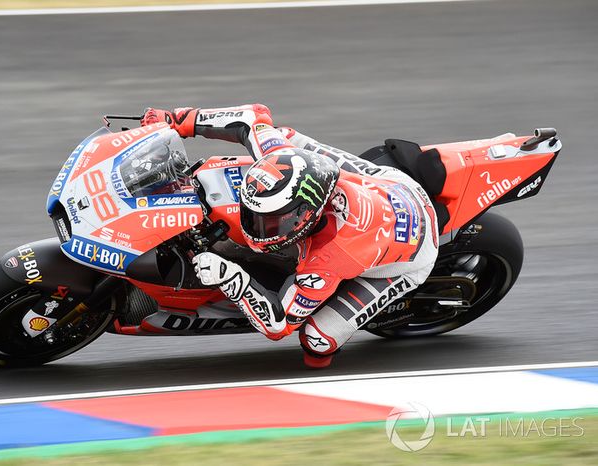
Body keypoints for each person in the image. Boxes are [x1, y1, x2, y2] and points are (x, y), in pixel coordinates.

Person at [141, 104, 439, 368]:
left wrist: (231, 277)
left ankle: (329, 345)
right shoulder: (279, 157)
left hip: (412, 256)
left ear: (306, 216)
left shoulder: (329, 257)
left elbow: (278, 325)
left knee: (317, 341)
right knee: (286, 137)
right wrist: (175, 120)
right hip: (391, 184)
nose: (256, 227)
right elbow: (251, 119)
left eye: (270, 222)